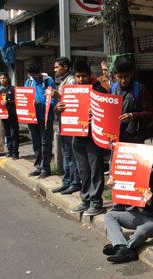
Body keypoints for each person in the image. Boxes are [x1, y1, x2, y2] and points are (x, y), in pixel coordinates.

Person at [56, 61, 107, 217]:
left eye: (83, 76)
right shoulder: (71, 91)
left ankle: (96, 202)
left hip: (93, 137)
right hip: (77, 136)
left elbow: (106, 112)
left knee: (95, 171)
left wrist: (96, 114)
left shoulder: (99, 90)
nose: (80, 79)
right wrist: (57, 108)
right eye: (77, 76)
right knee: (83, 170)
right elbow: (62, 109)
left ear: (89, 75)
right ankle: (85, 200)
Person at [103, 164, 153, 263]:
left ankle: (125, 249)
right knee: (110, 216)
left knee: (141, 230)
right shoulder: (137, 179)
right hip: (144, 216)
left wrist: (150, 202)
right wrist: (115, 186)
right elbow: (126, 196)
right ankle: (120, 246)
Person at [52, 57, 82, 195]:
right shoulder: (63, 81)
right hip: (63, 122)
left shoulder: (71, 80)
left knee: (71, 154)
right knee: (65, 154)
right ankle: (67, 181)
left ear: (65, 67)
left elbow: (73, 102)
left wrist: (58, 97)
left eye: (57, 67)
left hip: (71, 124)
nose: (55, 70)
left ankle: (75, 182)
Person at [111, 58, 153, 144]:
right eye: (120, 77)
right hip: (116, 136)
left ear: (131, 74)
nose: (123, 80)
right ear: (115, 75)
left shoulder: (141, 89)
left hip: (135, 138)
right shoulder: (112, 88)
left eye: (126, 77)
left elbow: (150, 113)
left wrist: (132, 116)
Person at [25, 63, 57, 179]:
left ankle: (46, 168)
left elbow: (54, 100)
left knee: (45, 143)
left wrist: (41, 104)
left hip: (45, 118)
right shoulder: (29, 82)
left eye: (36, 76)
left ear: (39, 72)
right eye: (32, 76)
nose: (34, 78)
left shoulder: (48, 81)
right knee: (36, 143)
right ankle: (38, 167)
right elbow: (24, 96)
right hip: (32, 117)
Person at [0, 72, 19, 159]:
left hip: (13, 115)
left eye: (4, 78)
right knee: (8, 134)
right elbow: (0, 102)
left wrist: (8, 102)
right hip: (5, 116)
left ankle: (15, 153)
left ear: (8, 79)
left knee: (14, 133)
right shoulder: (1, 91)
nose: (2, 80)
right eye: (1, 78)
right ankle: (10, 151)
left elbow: (18, 101)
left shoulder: (13, 89)